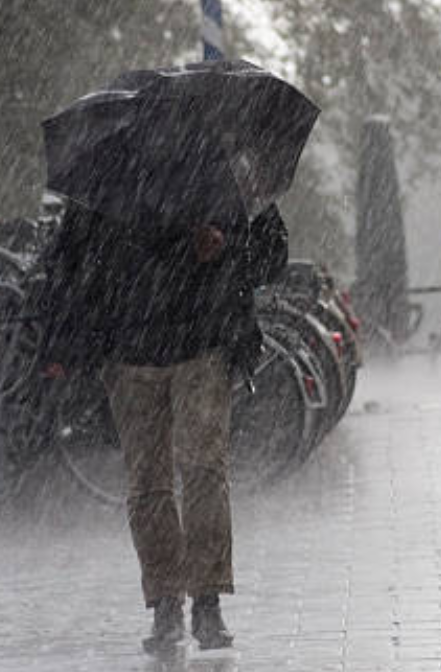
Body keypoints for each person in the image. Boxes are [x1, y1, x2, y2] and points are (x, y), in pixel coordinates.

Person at [37, 182, 288, 653]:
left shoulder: (220, 170)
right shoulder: (113, 174)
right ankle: (167, 603)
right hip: (130, 354)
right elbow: (71, 263)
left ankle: (206, 601)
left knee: (202, 471)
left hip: (202, 345)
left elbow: (271, 256)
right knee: (150, 481)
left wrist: (226, 246)